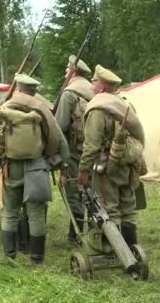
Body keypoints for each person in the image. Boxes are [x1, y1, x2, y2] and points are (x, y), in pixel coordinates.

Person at [0, 74, 69, 264]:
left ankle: (9, 257)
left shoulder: (4, 109)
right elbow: (61, 142)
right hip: (38, 167)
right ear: (34, 91)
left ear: (18, 88)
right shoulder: (43, 111)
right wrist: (63, 169)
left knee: (10, 213)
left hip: (10, 167)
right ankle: (37, 259)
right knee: (36, 215)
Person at [78, 65, 145, 247]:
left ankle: (116, 253)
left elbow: (91, 145)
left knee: (110, 209)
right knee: (128, 209)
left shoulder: (98, 107)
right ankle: (132, 248)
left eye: (94, 83)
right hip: (130, 163)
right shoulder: (125, 104)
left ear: (102, 87)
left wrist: (83, 170)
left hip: (107, 165)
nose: (92, 87)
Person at [55, 55, 94, 242]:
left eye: (67, 68)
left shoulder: (69, 93)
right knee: (93, 191)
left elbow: (60, 126)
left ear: (73, 71)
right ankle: (96, 231)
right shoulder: (94, 90)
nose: (65, 71)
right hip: (95, 149)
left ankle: (76, 235)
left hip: (74, 150)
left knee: (74, 191)